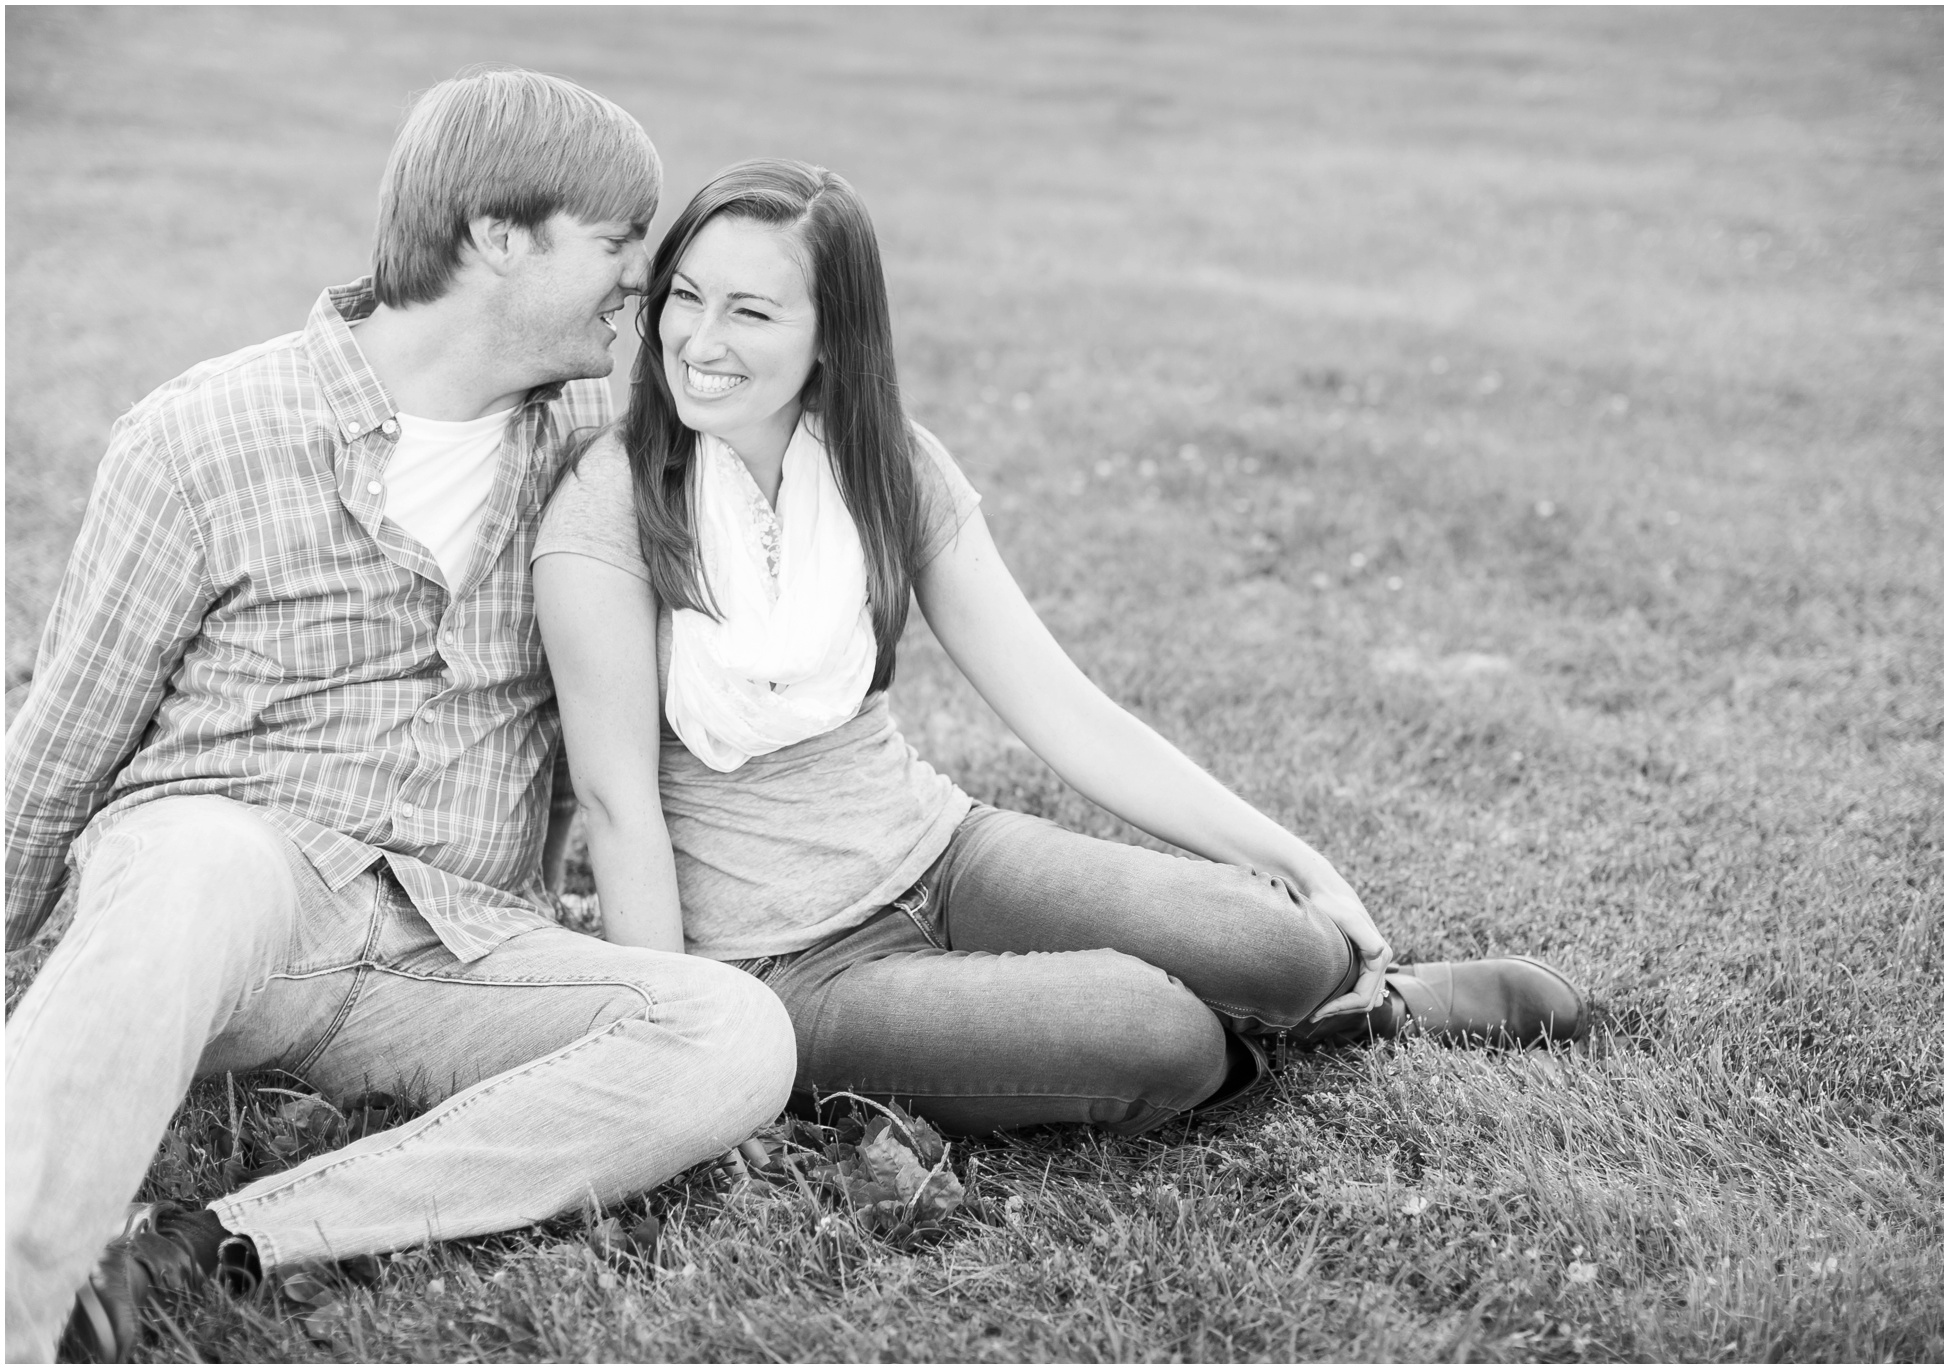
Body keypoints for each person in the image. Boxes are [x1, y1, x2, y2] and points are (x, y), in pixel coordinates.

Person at [534, 158, 1585, 1142]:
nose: (698, 338)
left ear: (830, 336)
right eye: (685, 294)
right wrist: (686, 1044)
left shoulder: (883, 462)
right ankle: (1215, 1041)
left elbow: (1061, 707)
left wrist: (1298, 863)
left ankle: (1352, 1001)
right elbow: (618, 803)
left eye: (749, 310)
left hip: (943, 853)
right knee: (1151, 1032)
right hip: (787, 958)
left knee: (1284, 940)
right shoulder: (610, 504)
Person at [4, 72, 797, 1363]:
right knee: (199, 860)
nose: (640, 291)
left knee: (730, 1032)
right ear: (499, 237)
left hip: (456, 951)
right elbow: (53, 756)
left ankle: (223, 1238)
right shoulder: (204, 437)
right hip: (234, 899)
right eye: (617, 247)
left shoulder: (598, 442)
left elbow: (807, 419)